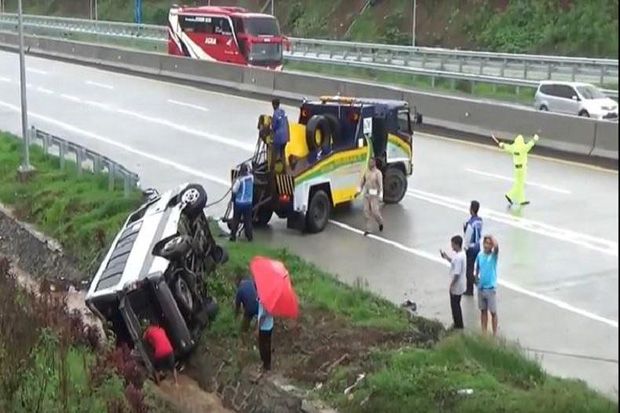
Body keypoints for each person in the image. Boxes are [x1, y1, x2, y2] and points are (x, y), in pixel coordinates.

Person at [491, 132, 540, 206]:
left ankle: (521, 200)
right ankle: (509, 195)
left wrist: (501, 144)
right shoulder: (523, 148)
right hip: (522, 168)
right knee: (519, 184)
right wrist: (535, 139)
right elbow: (530, 144)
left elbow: (505, 146)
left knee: (520, 184)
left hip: (516, 168)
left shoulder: (513, 147)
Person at [474, 235, 499, 336]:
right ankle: (484, 332)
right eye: (486, 243)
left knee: (493, 312)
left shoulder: (493, 256)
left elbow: (497, 247)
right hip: (481, 288)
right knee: (483, 311)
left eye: (489, 243)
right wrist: (476, 279)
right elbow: (477, 268)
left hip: (490, 288)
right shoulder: (480, 255)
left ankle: (494, 333)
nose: (487, 245)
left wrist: (491, 237)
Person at [440, 235, 467, 329]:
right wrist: (446, 257)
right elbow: (454, 263)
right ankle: (458, 323)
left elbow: (457, 273)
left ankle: (458, 325)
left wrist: (451, 285)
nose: (451, 246)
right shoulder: (461, 254)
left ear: (456, 245)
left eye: (452, 244)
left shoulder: (459, 258)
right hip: (461, 285)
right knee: (456, 304)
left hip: (457, 286)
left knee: (455, 306)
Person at [143, 320, 178, 385]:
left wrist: (146, 331)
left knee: (156, 370)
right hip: (170, 350)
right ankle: (176, 383)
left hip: (160, 352)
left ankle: (159, 384)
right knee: (173, 368)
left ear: (151, 326)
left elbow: (144, 338)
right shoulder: (162, 330)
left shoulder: (150, 331)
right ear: (158, 325)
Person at [229, 162, 254, 242]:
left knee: (236, 220)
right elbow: (251, 172)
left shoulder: (239, 180)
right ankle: (249, 237)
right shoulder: (251, 178)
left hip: (239, 203)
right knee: (248, 221)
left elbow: (234, 191)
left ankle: (233, 237)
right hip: (248, 203)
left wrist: (232, 200)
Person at [463, 200, 483, 296]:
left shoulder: (470, 223)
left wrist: (465, 248)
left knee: (469, 270)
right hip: (478, 246)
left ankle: (474, 286)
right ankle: (470, 288)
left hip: (471, 248)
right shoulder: (479, 220)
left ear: (471, 209)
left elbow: (467, 237)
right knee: (472, 267)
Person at [360, 157, 384, 236]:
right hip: (367, 194)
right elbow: (362, 181)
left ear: (374, 163)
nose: (369, 164)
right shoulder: (366, 172)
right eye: (369, 162)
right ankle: (368, 229)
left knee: (375, 212)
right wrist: (359, 190)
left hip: (374, 195)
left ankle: (380, 222)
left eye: (371, 162)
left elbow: (380, 185)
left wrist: (380, 195)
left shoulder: (378, 173)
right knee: (366, 212)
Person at [257, 298, 274, 371]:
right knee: (268, 344)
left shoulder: (263, 302)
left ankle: (265, 363)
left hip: (264, 327)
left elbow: (262, 317)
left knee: (263, 346)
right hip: (270, 324)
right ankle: (268, 363)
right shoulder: (271, 301)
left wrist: (258, 328)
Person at [271, 98, 289, 163]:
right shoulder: (283, 112)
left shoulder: (275, 114)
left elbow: (274, 127)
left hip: (279, 137)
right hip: (286, 136)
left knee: (274, 152)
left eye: (273, 105)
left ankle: (273, 168)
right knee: (282, 152)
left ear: (274, 105)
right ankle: (284, 167)